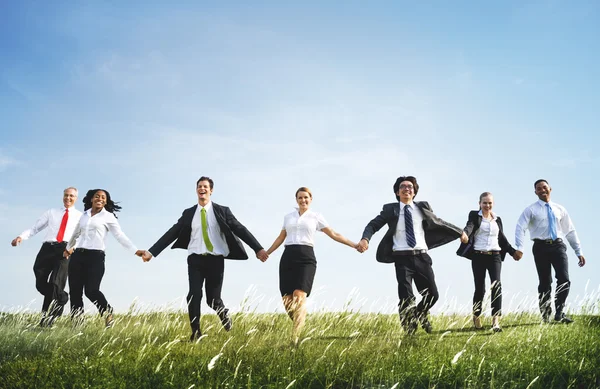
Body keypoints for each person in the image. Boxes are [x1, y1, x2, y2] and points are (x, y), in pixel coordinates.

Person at [138, 176, 268, 341]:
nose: (202, 189)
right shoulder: (189, 213)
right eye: (199, 186)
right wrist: (151, 252)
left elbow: (240, 229)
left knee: (213, 299)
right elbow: (172, 233)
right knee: (193, 294)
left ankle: (223, 313)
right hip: (195, 259)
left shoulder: (222, 211)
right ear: (196, 190)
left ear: (211, 190)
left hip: (216, 260)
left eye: (205, 186)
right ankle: (196, 332)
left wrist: (258, 248)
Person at [357, 176, 468, 335]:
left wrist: (460, 232)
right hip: (402, 258)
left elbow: (439, 222)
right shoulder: (391, 210)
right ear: (397, 192)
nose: (406, 189)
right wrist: (365, 239)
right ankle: (409, 329)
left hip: (422, 257)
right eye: (403, 187)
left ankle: (420, 313)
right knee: (406, 296)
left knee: (433, 295)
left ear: (414, 192)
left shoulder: (422, 208)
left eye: (410, 187)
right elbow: (373, 225)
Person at [264, 187, 358, 344]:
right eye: (300, 198)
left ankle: (294, 338)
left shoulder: (316, 216)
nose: (303, 200)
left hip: (306, 257)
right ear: (296, 200)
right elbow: (281, 237)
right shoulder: (288, 217)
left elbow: (334, 234)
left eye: (306, 197)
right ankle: (300, 325)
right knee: (287, 301)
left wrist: (354, 244)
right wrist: (267, 252)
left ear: (311, 199)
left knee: (299, 295)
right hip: (288, 257)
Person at [64, 189, 141, 327]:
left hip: (96, 257)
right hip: (77, 256)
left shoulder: (108, 217)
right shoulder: (84, 215)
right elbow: (75, 234)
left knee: (91, 290)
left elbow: (119, 236)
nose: (100, 199)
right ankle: (77, 325)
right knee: (75, 292)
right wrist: (68, 248)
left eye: (103, 197)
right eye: (97, 196)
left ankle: (107, 313)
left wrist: (135, 250)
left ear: (106, 201)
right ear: (91, 199)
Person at [514, 179, 586, 324]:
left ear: (550, 189)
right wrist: (520, 248)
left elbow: (570, 231)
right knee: (545, 282)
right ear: (535, 192)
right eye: (539, 188)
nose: (542, 190)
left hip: (558, 246)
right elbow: (520, 227)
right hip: (540, 248)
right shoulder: (531, 210)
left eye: (544, 187)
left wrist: (578, 251)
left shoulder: (560, 209)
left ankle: (559, 312)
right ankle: (545, 315)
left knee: (564, 279)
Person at [11, 187, 82, 327]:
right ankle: (62, 297)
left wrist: (72, 248)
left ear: (76, 198)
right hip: (47, 248)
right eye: (66, 195)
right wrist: (21, 237)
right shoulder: (52, 212)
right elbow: (35, 228)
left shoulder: (80, 216)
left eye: (71, 196)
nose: (68, 198)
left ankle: (47, 321)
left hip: (65, 249)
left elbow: (83, 235)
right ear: (63, 196)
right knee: (40, 278)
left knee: (56, 282)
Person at [456, 192, 517, 332]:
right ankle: (476, 317)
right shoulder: (474, 216)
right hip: (478, 256)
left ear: (493, 204)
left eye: (490, 203)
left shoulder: (497, 219)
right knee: (480, 288)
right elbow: (469, 226)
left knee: (496, 286)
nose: (487, 205)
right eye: (484, 203)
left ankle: (495, 321)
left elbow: (501, 238)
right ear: (479, 203)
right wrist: (465, 234)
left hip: (495, 255)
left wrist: (513, 252)